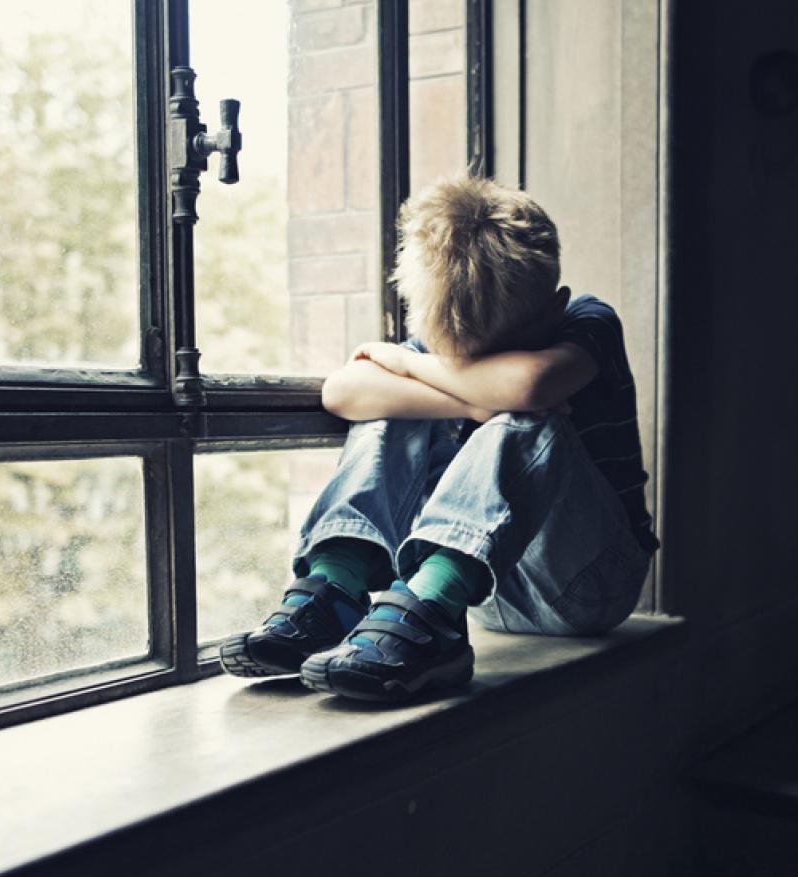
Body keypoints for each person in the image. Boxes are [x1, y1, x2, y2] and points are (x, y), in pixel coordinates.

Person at [218, 175, 658, 701]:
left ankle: (428, 613)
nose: (463, 366)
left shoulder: (589, 319)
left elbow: (532, 385)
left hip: (590, 586)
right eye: (458, 356)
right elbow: (344, 391)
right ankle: (338, 587)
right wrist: (469, 396)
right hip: (479, 591)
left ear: (556, 305)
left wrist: (408, 364)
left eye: (488, 360)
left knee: (527, 417)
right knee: (389, 412)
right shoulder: (445, 329)